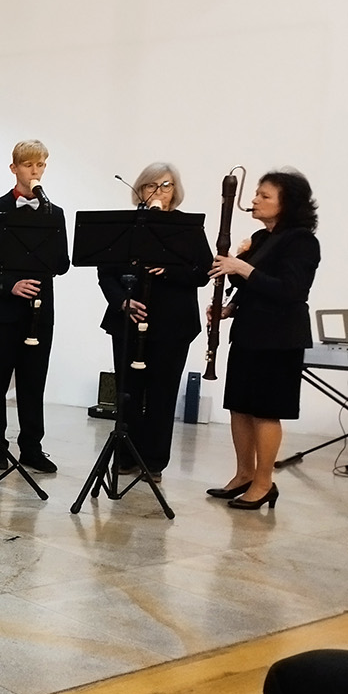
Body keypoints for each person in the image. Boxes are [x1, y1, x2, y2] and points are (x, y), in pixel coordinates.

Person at [207, 169, 320, 510]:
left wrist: (241, 267)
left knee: (265, 412)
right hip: (248, 333)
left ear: (287, 204)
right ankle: (244, 474)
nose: (254, 200)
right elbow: (250, 287)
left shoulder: (301, 241)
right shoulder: (261, 238)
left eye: (264, 195)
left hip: (280, 338)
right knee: (240, 407)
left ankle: (264, 482)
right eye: (256, 193)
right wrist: (228, 309)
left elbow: (290, 290)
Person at [97, 163, 207, 483]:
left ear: (175, 191)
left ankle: (154, 461)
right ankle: (125, 457)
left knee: (162, 393)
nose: (159, 191)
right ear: (141, 190)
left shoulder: (187, 228)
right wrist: (122, 302)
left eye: (166, 185)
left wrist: (170, 271)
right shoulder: (126, 226)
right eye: (151, 186)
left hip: (173, 323)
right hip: (128, 320)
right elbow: (106, 273)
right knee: (127, 392)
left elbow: (202, 272)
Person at [0, 139, 69, 473]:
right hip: (3, 309)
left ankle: (31, 447)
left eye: (40, 165)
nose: (35, 171)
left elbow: (62, 264)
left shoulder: (54, 213)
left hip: (40, 310)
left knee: (33, 381)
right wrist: (11, 284)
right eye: (28, 165)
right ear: (14, 168)